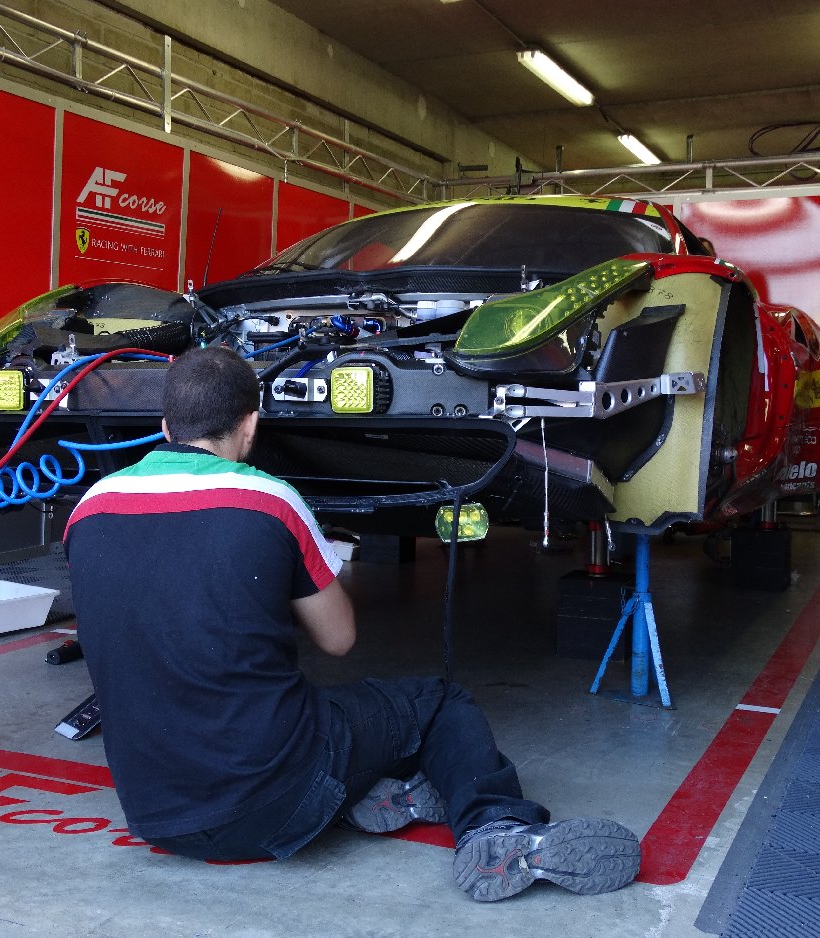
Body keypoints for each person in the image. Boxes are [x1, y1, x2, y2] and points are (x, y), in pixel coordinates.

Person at [64, 346, 641, 902]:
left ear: (165, 426)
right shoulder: (268, 501)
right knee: (438, 704)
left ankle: (386, 796)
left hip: (155, 816)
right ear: (250, 425)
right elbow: (339, 640)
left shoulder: (88, 508)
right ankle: (498, 828)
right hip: (273, 804)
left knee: (298, 714)